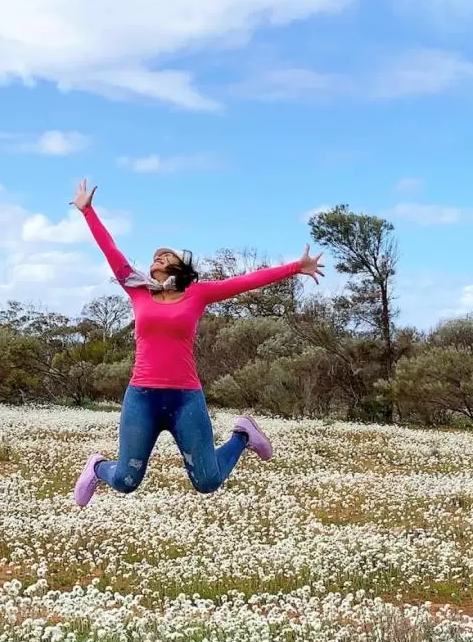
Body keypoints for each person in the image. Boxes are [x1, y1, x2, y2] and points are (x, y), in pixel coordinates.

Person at [69, 179, 325, 506]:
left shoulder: (197, 294)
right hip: (142, 397)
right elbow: (110, 250)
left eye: (166, 255)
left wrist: (295, 268)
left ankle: (243, 435)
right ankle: (97, 466)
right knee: (125, 480)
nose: (158, 257)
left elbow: (246, 281)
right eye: (155, 256)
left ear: (180, 267)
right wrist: (88, 211)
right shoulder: (137, 289)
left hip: (185, 399)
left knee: (207, 481)